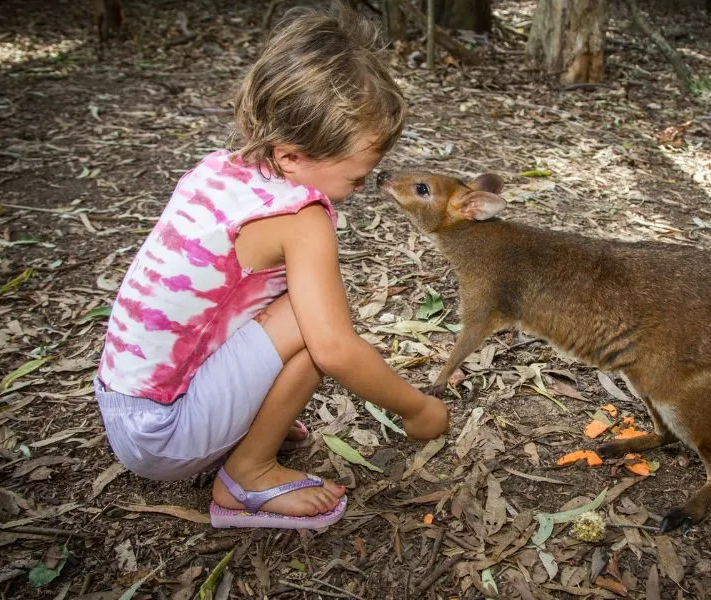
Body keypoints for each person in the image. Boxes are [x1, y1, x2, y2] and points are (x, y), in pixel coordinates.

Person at [94, 6, 448, 530]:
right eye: (356, 177)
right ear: (290, 156)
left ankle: (252, 428)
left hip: (125, 404)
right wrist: (418, 409)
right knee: (315, 326)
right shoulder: (300, 217)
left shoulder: (218, 170)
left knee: (298, 308)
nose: (361, 187)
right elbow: (335, 350)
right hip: (166, 435)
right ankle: (247, 476)